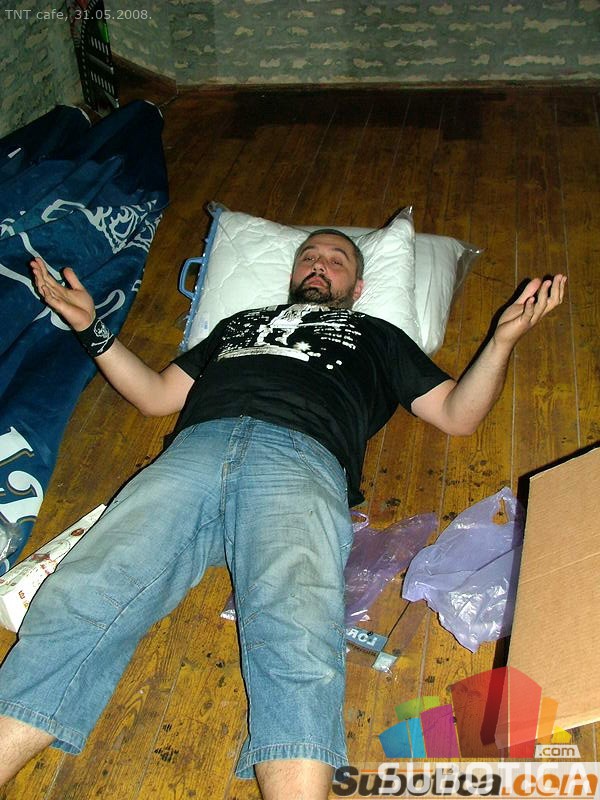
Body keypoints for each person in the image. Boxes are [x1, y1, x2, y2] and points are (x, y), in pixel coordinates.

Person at [0, 231, 565, 800]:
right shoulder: (238, 325)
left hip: (300, 458)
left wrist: (501, 341)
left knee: (296, 630)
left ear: (358, 287)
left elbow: (457, 415)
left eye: (336, 261)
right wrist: (89, 327)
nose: (319, 265)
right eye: (309, 257)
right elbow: (154, 396)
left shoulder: (379, 336)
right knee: (84, 591)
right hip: (194, 451)